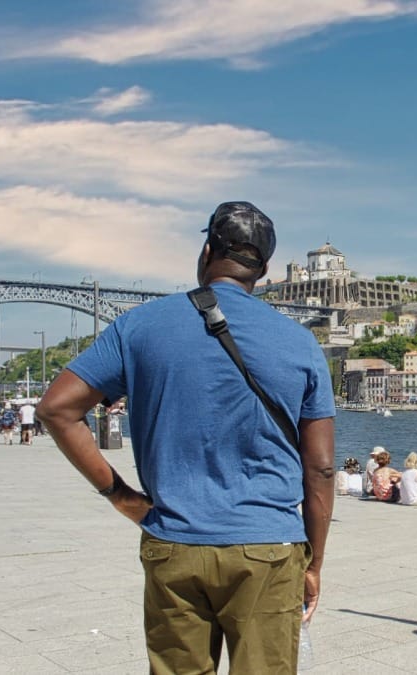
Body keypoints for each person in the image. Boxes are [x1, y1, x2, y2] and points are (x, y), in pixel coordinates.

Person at [37, 200, 336, 674]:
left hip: (173, 540)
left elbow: (56, 409)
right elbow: (319, 468)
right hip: (269, 547)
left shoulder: (140, 325)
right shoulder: (299, 341)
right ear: (264, 268)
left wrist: (122, 497)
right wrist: (313, 563)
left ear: (207, 249)